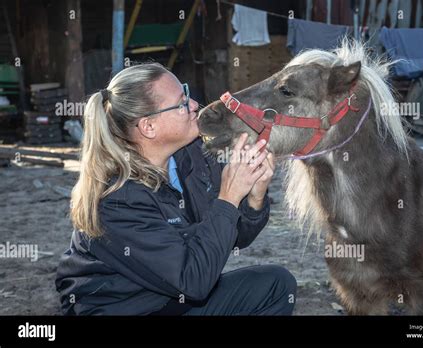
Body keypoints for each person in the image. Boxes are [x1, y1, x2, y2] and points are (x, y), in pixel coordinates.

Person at [55, 63, 297, 315]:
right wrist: (228, 198)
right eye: (181, 103)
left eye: (187, 94)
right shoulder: (117, 198)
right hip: (128, 309)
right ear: (149, 126)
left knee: (276, 285)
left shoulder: (191, 158)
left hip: (170, 301)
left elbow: (234, 238)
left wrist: (254, 197)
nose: (194, 105)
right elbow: (192, 283)